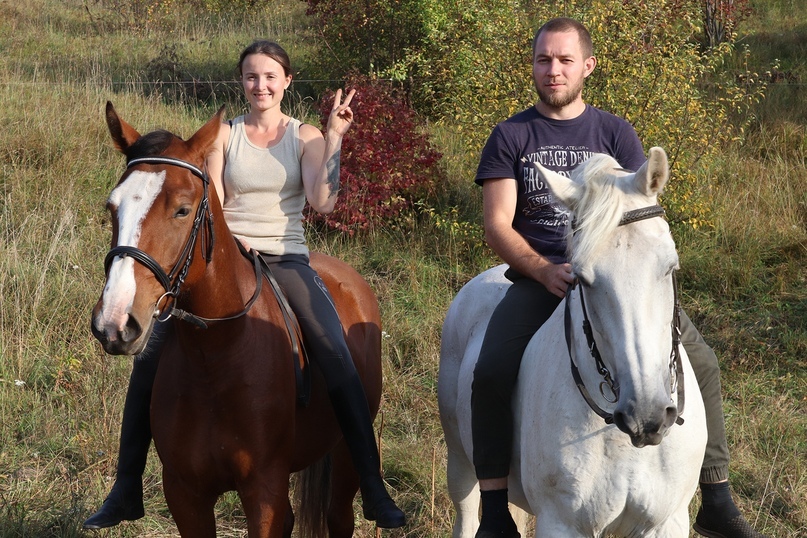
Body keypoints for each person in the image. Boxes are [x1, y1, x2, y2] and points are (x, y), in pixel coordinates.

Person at [83, 40, 406, 530]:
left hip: (286, 257)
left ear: (287, 82)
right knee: (148, 362)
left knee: (336, 352)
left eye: (271, 77)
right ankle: (126, 487)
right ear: (242, 82)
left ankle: (373, 484)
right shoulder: (224, 136)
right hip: (230, 258)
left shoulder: (306, 135)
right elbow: (211, 199)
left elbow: (323, 201)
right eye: (252, 77)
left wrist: (336, 136)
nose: (261, 85)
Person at [470, 17, 768, 538]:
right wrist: (543, 269)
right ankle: (494, 508)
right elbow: (498, 224)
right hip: (543, 277)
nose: (553, 70)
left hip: (615, 276)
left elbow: (639, 208)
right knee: (491, 369)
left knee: (704, 361)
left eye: (565, 60)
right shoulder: (511, 136)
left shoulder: (613, 131)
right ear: (533, 66)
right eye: (544, 59)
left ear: (587, 66)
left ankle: (716, 494)